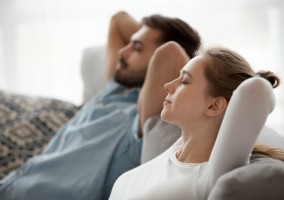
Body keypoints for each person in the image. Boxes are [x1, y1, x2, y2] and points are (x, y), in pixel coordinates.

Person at [0, 11, 201, 200]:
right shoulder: (115, 88)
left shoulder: (142, 116)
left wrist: (175, 48)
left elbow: (170, 52)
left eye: (136, 48)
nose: (122, 53)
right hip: (6, 187)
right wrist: (146, 36)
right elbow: (118, 20)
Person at [109, 45, 281, 200]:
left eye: (184, 81)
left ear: (214, 106)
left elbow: (257, 90)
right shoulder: (177, 149)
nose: (168, 86)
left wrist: (264, 80)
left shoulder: (208, 178)